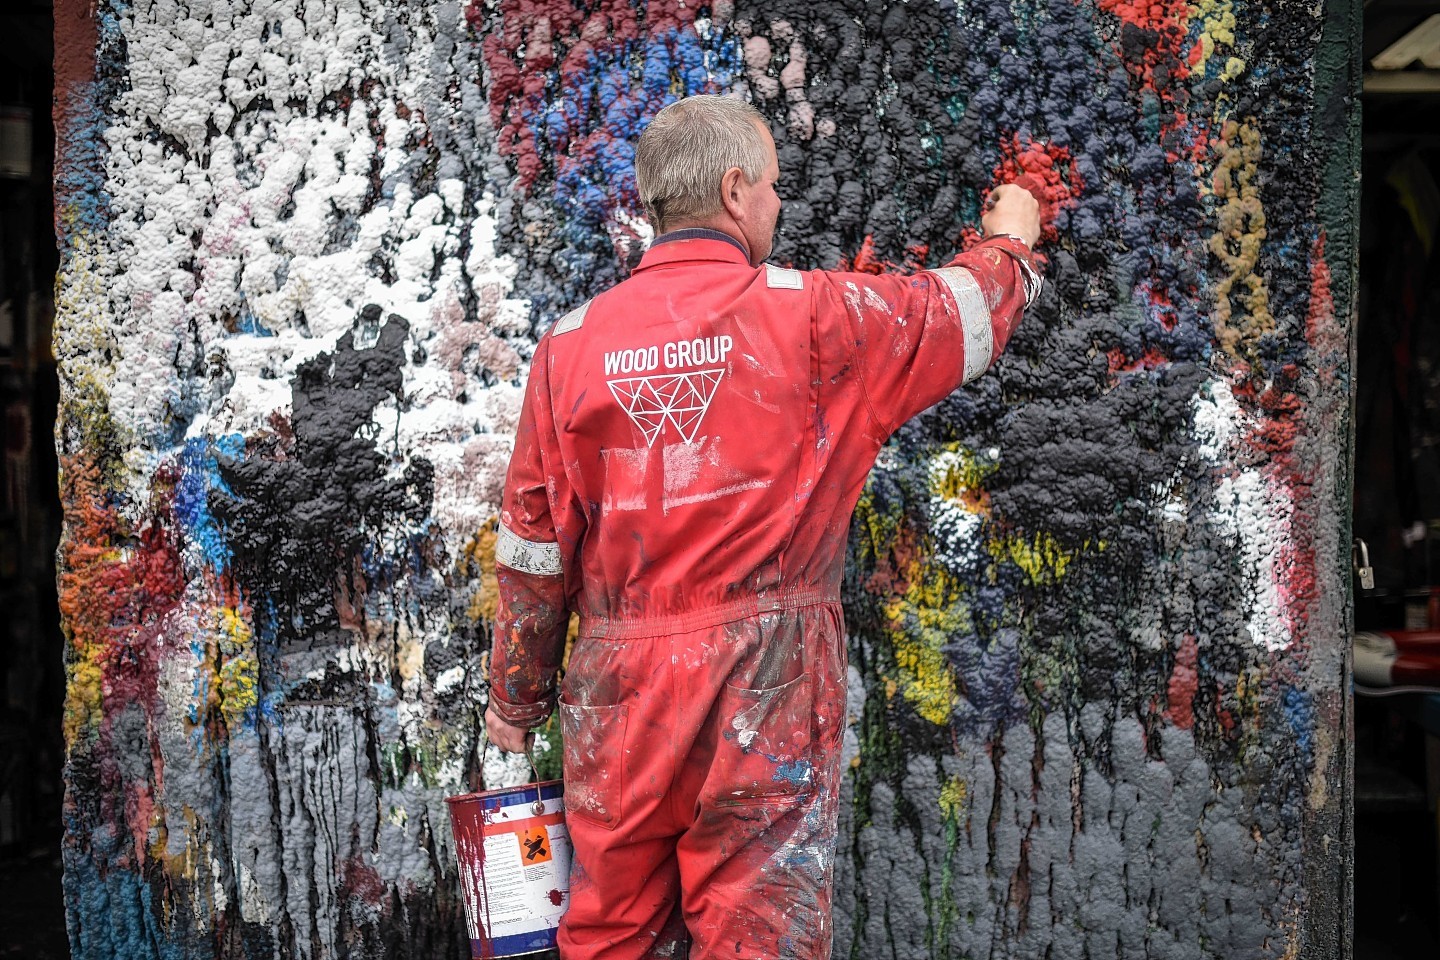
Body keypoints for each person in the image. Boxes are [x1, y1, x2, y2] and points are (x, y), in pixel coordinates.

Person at [484, 94, 1042, 960]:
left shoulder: (568, 346)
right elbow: (956, 312)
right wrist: (1012, 238)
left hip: (617, 698)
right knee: (756, 933)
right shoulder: (813, 318)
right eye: (775, 186)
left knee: (609, 932)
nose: (781, 206)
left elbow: (532, 547)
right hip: (765, 684)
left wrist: (515, 699)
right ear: (737, 189)